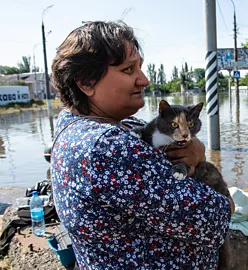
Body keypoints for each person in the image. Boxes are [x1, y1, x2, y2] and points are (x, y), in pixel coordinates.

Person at [50, 21, 232, 269]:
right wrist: (199, 161)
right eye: (128, 70)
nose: (144, 80)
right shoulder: (108, 147)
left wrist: (197, 151)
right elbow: (217, 215)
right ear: (85, 83)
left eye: (141, 68)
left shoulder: (88, 125)